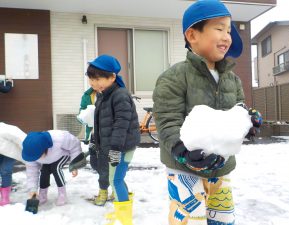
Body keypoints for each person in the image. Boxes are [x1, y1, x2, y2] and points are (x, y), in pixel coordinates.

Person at [152, 0, 262, 224]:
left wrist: (248, 122)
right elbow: (167, 121)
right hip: (184, 169)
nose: (227, 36)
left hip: (220, 168)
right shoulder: (174, 77)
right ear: (193, 35)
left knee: (222, 218)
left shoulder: (232, 79)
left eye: (229, 30)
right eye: (219, 28)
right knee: (191, 219)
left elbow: (237, 111)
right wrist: (182, 151)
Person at [86, 54, 140, 224]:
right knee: (117, 179)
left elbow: (121, 125)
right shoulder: (103, 94)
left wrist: (115, 149)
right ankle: (122, 211)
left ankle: (124, 218)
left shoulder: (120, 95)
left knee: (115, 180)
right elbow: (102, 123)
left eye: (98, 78)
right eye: (91, 79)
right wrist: (95, 139)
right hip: (112, 145)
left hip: (121, 147)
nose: (94, 83)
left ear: (112, 77)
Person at [22, 130, 82, 206]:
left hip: (62, 154)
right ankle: (42, 195)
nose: (36, 159)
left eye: (37, 156)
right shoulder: (30, 153)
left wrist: (74, 165)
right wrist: (32, 190)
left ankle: (62, 194)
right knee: (44, 172)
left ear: (44, 149)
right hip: (48, 160)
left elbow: (75, 145)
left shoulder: (60, 139)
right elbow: (32, 172)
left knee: (56, 168)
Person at [78, 86, 114, 206]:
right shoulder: (87, 95)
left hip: (107, 136)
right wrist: (86, 116)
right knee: (94, 163)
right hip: (93, 134)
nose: (94, 82)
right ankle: (109, 182)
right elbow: (81, 114)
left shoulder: (111, 94)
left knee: (107, 165)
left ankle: (107, 191)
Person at [0, 122, 26, 206]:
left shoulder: (4, 129)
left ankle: (5, 198)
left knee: (5, 170)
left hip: (10, 152)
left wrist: (27, 151)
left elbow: (20, 137)